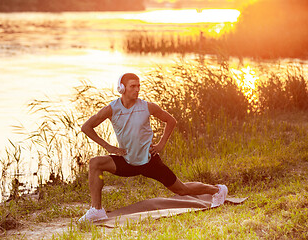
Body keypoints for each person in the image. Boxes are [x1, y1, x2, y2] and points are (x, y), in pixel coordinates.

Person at [78, 73, 228, 223]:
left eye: (138, 86)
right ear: (122, 88)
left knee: (182, 190)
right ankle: (97, 210)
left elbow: (170, 120)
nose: (137, 89)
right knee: (95, 163)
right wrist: (108, 146)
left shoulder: (147, 106)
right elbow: (87, 127)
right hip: (127, 161)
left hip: (149, 161)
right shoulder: (111, 109)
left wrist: (161, 144)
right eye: (132, 86)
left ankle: (217, 190)